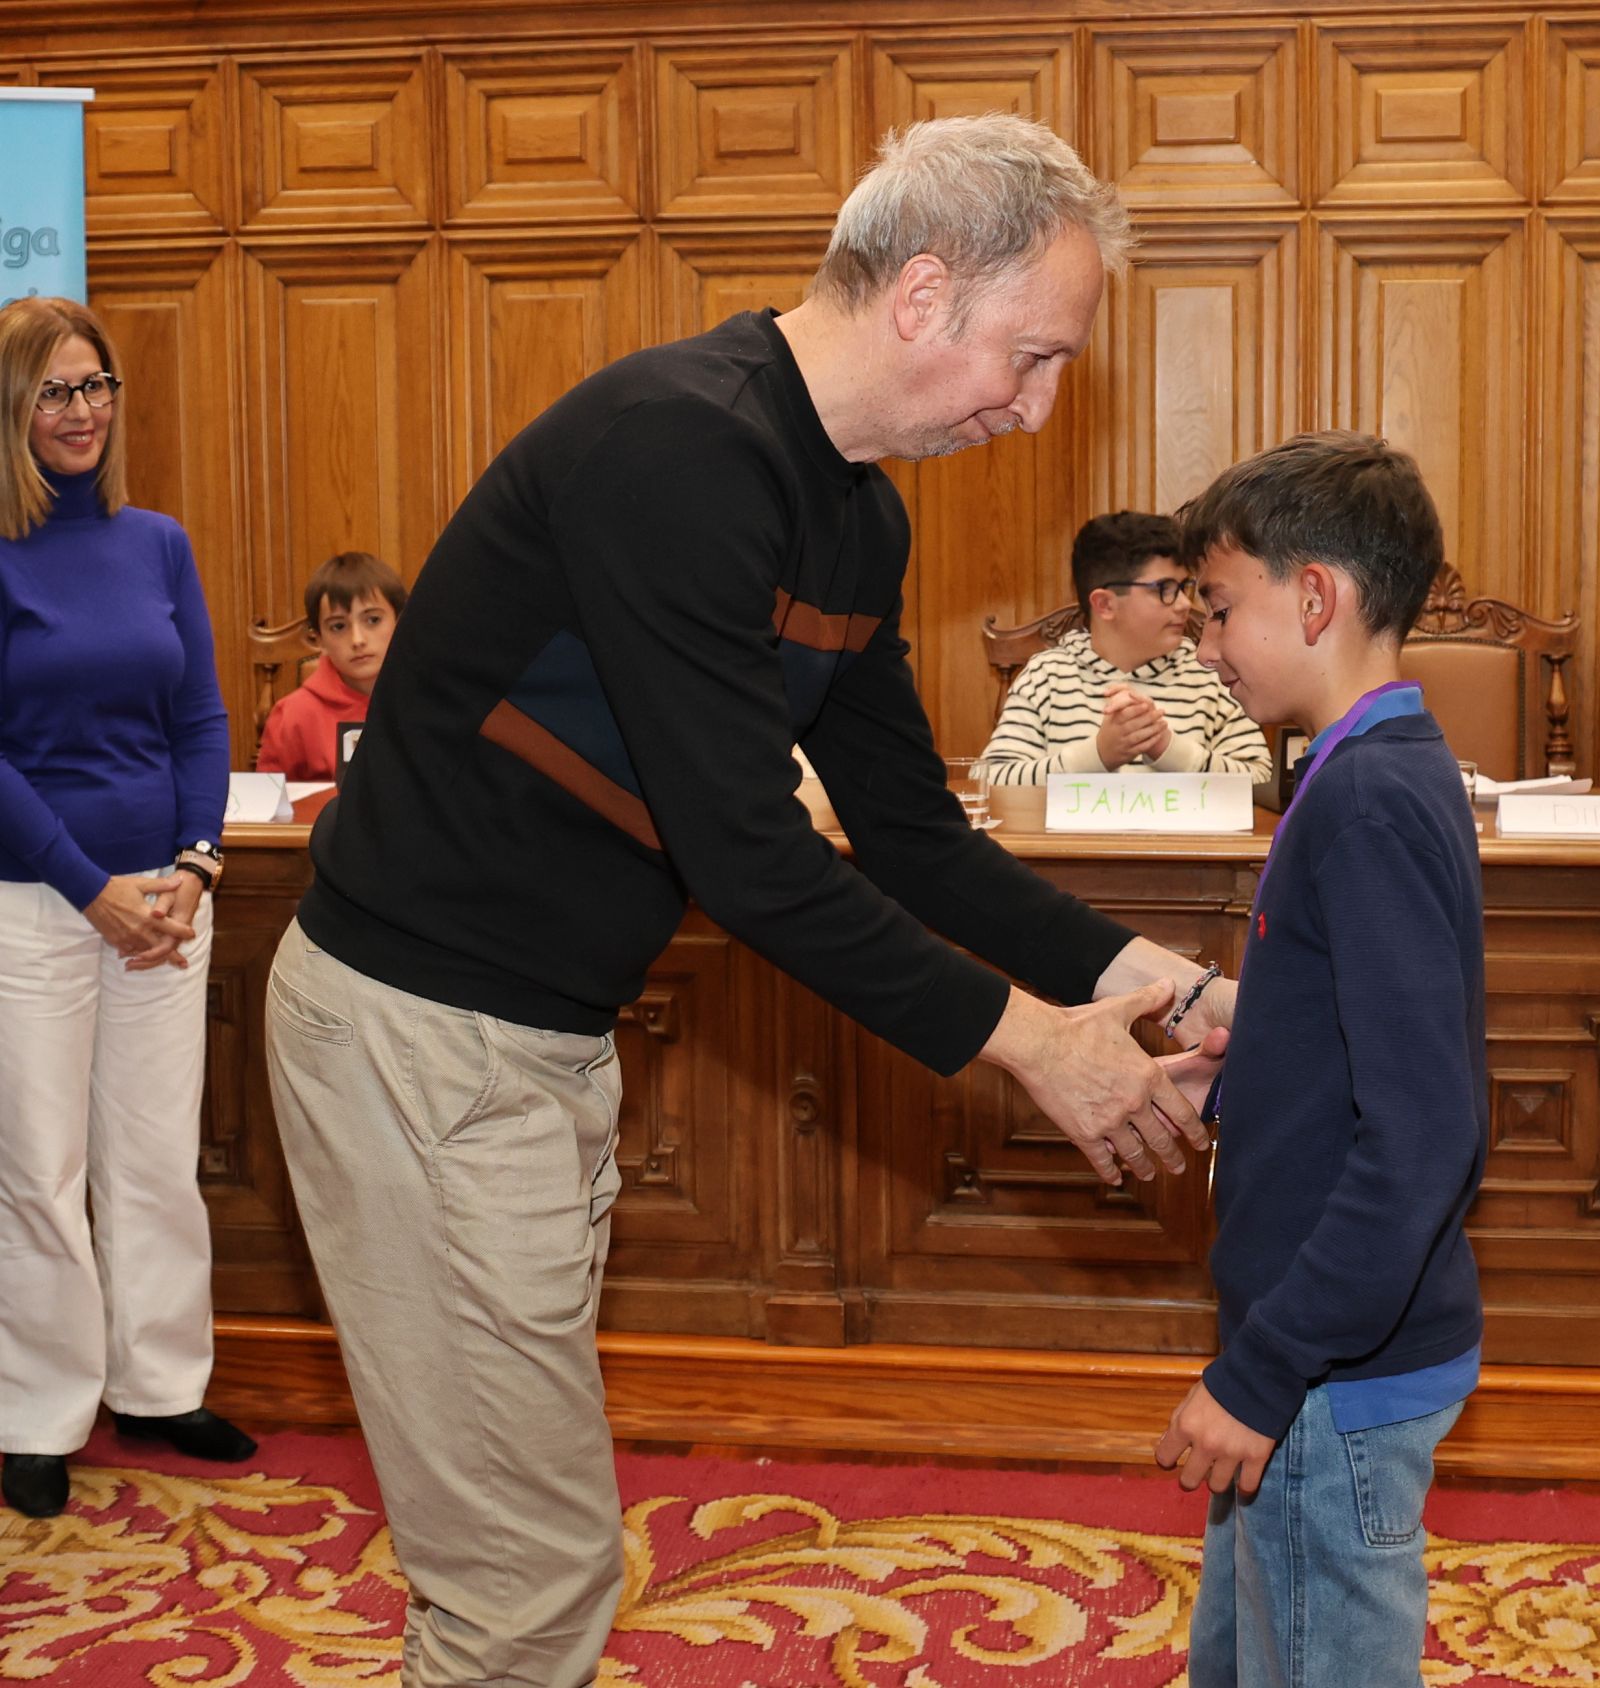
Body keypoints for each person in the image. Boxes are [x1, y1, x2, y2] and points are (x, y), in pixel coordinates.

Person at [264, 113, 1230, 1687]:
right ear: (921, 296)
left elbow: (917, 838)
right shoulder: (682, 447)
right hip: (421, 1042)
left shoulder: (853, 507)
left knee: (526, 1558)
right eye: (1032, 356)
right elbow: (746, 855)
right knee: (524, 1580)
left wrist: (1166, 986)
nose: (1038, 407)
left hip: (528, 1045)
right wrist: (1035, 1044)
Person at [1153, 432, 1487, 1688]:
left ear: (1314, 596)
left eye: (1221, 608)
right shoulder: (1372, 765)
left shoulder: (1367, 798)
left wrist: (1262, 1371)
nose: (1206, 645)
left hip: (1330, 1369)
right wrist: (1249, 1066)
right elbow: (1364, 1044)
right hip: (1319, 1344)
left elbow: (1420, 1136)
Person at [0, 297, 256, 1521]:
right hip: (34, 905)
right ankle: (41, 1409)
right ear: (11, 408)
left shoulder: (157, 541)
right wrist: (85, 884)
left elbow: (200, 716)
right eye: (55, 391)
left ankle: (158, 1384)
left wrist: (195, 866)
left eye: (96, 385)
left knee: (156, 1155)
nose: (83, 410)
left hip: (161, 901)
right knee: (40, 1170)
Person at [978, 510, 1272, 784]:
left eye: (1185, 587)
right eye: (1166, 590)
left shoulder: (1208, 676)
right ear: (1105, 604)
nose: (1185, 604)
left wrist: (1166, 748)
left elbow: (1261, 780)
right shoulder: (1046, 676)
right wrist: (1098, 755)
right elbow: (992, 779)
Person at [255, 549, 408, 783]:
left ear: (399, 622)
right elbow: (269, 810)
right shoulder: (293, 715)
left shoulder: (428, 699)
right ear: (318, 639)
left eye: (373, 620)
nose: (358, 640)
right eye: (338, 626)